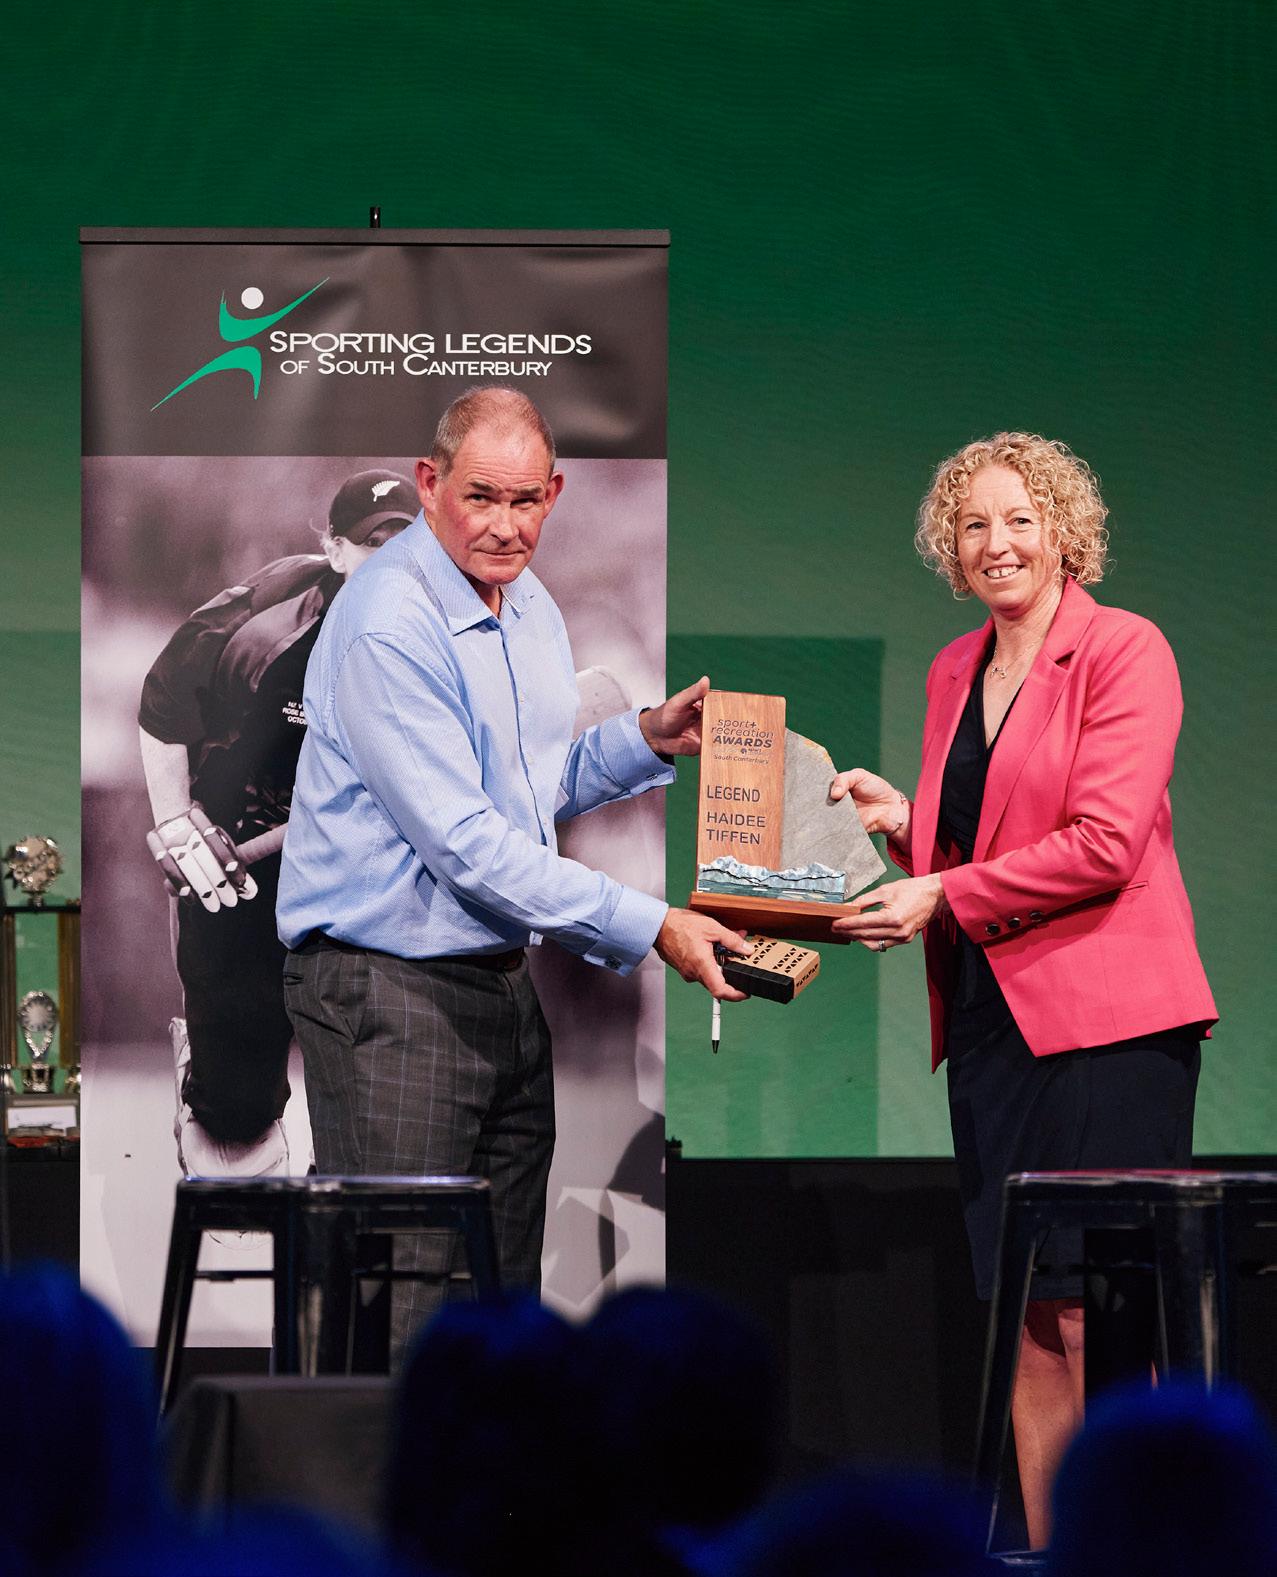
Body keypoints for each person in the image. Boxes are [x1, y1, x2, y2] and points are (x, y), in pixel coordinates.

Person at [276, 387, 748, 1357]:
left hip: (498, 985)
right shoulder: (388, 619)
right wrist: (653, 923)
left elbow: (523, 792)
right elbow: (466, 843)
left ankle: (480, 1465)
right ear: (429, 484)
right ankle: (371, 1466)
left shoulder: (529, 605)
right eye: (481, 497)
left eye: (525, 500)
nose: (504, 524)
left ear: (554, 494)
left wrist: (643, 738)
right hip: (388, 993)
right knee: (403, 1305)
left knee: (495, 1312)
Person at [827, 433, 1216, 1548]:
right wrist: (907, 824)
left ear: (1063, 534)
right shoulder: (956, 667)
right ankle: (1054, 1557)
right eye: (971, 524)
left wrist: (939, 888)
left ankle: (1143, 1554)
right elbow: (992, 834)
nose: (994, 543)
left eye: (1017, 520)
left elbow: (1101, 842)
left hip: (1108, 1027)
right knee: (1032, 1319)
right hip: (993, 1021)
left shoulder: (1121, 648)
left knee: (1105, 1316)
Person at [139, 469, 419, 1175]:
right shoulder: (266, 621)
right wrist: (177, 824)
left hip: (364, 856)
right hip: (244, 843)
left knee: (386, 1097)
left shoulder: (444, 628)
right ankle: (212, 1081)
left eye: (407, 543)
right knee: (234, 1124)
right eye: (373, 545)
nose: (392, 562)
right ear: (335, 549)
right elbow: (164, 700)